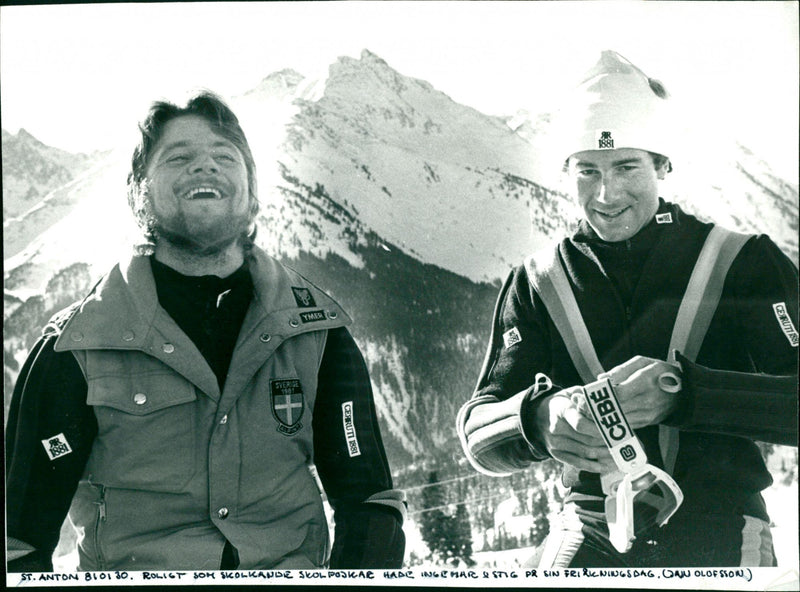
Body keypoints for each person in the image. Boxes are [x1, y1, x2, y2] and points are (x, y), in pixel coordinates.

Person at [6, 91, 406, 571]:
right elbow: (19, 537)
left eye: (224, 156)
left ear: (252, 194)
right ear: (139, 193)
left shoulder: (316, 333)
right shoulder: (76, 345)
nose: (205, 167)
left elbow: (369, 502)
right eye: (179, 158)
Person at [457, 51, 798, 567]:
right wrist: (539, 416)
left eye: (626, 167)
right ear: (566, 171)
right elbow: (478, 431)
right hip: (592, 527)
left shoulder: (744, 261)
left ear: (663, 165)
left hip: (722, 522)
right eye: (587, 170)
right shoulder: (537, 280)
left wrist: (688, 396)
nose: (605, 192)